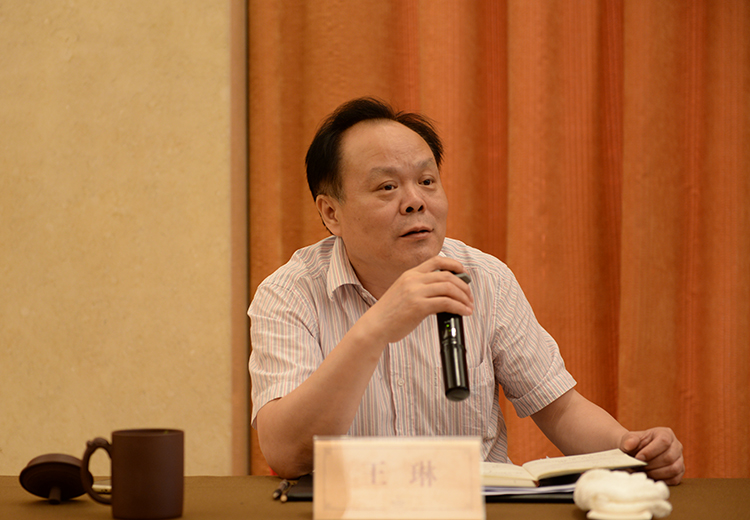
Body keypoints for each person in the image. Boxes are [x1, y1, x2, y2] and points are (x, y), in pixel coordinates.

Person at [248, 97, 685, 484]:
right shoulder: (290, 293)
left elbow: (560, 409)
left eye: (427, 181)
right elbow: (285, 453)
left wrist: (628, 449)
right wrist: (375, 328)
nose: (415, 201)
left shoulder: (485, 278)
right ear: (331, 213)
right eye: (387, 187)